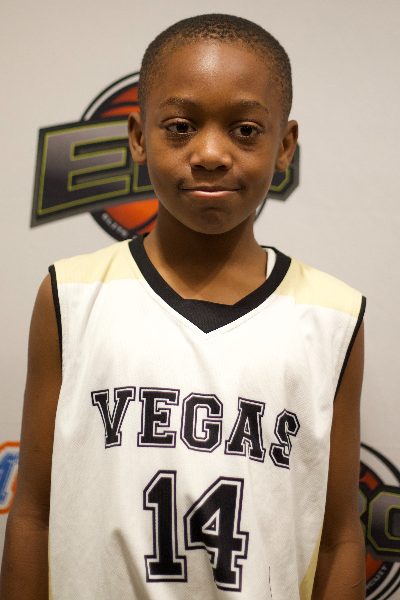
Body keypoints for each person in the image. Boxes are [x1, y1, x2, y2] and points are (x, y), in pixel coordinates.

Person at [0, 13, 366, 600]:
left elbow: (338, 537)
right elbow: (34, 514)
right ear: (138, 137)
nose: (212, 153)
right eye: (179, 126)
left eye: (245, 129)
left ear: (284, 146)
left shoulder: (332, 317)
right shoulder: (71, 296)